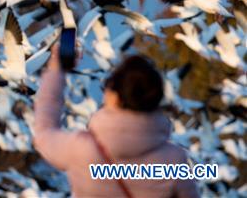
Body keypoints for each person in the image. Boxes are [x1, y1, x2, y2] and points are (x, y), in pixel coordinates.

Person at [33, 47, 199, 197]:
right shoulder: (174, 160)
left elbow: (44, 132)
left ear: (114, 97)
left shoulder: (82, 149)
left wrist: (56, 71)